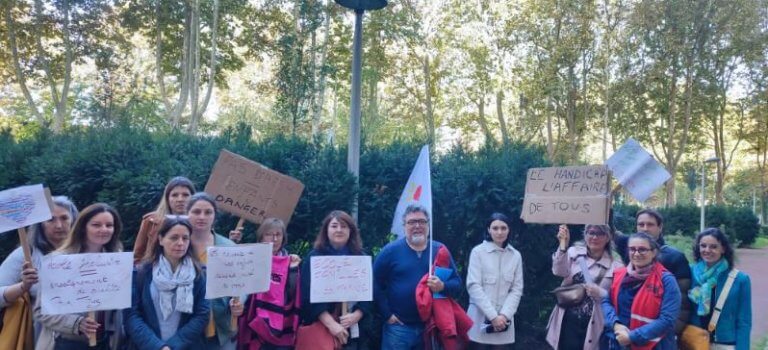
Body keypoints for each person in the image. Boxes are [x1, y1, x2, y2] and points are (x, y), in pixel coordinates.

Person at [34, 203, 126, 350]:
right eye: (96, 225)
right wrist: (76, 323)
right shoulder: (58, 261)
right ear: (83, 227)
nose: (104, 230)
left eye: (109, 225)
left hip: (106, 343)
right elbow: (41, 311)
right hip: (67, 343)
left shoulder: (117, 260)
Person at [373, 204, 462, 350]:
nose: (417, 226)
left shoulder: (440, 250)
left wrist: (442, 286)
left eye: (422, 221)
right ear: (404, 226)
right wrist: (387, 314)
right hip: (398, 329)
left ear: (428, 225)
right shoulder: (390, 251)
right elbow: (374, 283)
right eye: (412, 222)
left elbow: (457, 283)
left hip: (431, 327)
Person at [123, 215, 210, 350]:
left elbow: (202, 314)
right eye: (174, 238)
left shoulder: (200, 273)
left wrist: (173, 345)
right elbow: (132, 316)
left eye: (185, 238)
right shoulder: (140, 273)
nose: (180, 243)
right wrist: (157, 346)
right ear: (161, 239)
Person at [0, 196, 78, 341]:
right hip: (41, 336)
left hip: (85, 336)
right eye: (51, 220)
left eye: (64, 218)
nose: (59, 225)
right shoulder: (26, 254)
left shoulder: (87, 252)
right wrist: (23, 286)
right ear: (40, 224)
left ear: (73, 220)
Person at [300, 210, 371, 349]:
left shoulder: (360, 258)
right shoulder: (314, 258)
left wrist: (357, 314)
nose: (339, 230)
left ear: (351, 231)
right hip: (323, 326)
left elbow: (370, 292)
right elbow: (307, 295)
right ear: (326, 230)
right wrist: (332, 325)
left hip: (354, 327)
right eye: (334, 226)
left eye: (344, 226)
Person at [545, 224, 622, 350]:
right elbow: (559, 272)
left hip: (595, 322)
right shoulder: (574, 252)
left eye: (600, 233)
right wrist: (563, 246)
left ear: (608, 237)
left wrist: (602, 293)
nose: (594, 237)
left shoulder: (616, 265)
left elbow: (618, 297)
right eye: (591, 233)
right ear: (585, 235)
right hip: (567, 318)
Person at [614, 208, 691, 334]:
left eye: (650, 224)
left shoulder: (675, 257)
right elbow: (609, 231)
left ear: (660, 227)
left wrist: (671, 332)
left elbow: (682, 304)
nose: (645, 228)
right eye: (641, 224)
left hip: (658, 335)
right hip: (627, 330)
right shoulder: (629, 249)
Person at [602, 232, 681, 350]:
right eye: (632, 249)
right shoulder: (620, 274)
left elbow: (667, 320)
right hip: (619, 343)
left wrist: (632, 337)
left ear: (654, 252)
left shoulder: (666, 280)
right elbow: (606, 301)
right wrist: (616, 324)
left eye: (642, 250)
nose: (636, 253)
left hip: (655, 345)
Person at [186, 192, 244, 349]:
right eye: (196, 212)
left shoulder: (228, 247)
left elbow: (241, 283)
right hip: (183, 327)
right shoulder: (178, 245)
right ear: (187, 214)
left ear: (214, 216)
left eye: (208, 212)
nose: (202, 217)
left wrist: (239, 302)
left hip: (219, 328)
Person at [238, 218, 301, 350]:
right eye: (269, 234)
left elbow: (292, 294)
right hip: (253, 321)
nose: (274, 239)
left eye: (278, 234)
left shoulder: (290, 261)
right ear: (261, 237)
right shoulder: (250, 257)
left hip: (280, 325)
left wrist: (293, 270)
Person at [465, 213, 523, 349]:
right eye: (495, 228)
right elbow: (474, 286)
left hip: (504, 322)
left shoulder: (515, 256)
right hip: (480, 319)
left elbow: (516, 289)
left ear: (509, 230)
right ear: (488, 230)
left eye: (504, 228)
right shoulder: (478, 252)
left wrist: (504, 315)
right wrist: (492, 316)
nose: (499, 232)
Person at [687, 228, 751, 350]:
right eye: (703, 246)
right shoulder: (689, 272)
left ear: (723, 249)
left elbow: (744, 321)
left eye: (713, 247)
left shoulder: (740, 279)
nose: (707, 250)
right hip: (694, 342)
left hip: (724, 344)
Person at [133, 176, 196, 264]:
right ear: (167, 198)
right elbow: (137, 256)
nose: (180, 199)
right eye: (174, 195)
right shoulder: (151, 222)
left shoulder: (199, 223)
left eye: (185, 195)